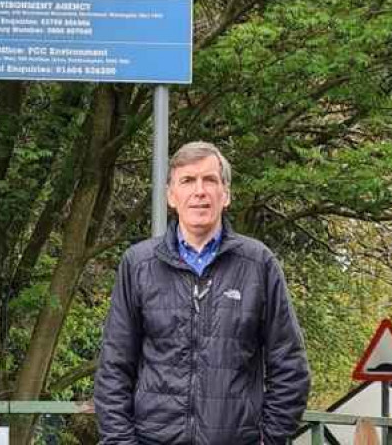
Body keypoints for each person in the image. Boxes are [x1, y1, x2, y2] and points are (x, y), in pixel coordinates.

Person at [95, 141, 310, 445]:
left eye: (210, 180)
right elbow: (114, 368)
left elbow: (290, 366)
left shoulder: (258, 264)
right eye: (187, 181)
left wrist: (269, 439)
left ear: (226, 194)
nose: (199, 191)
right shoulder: (139, 264)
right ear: (171, 195)